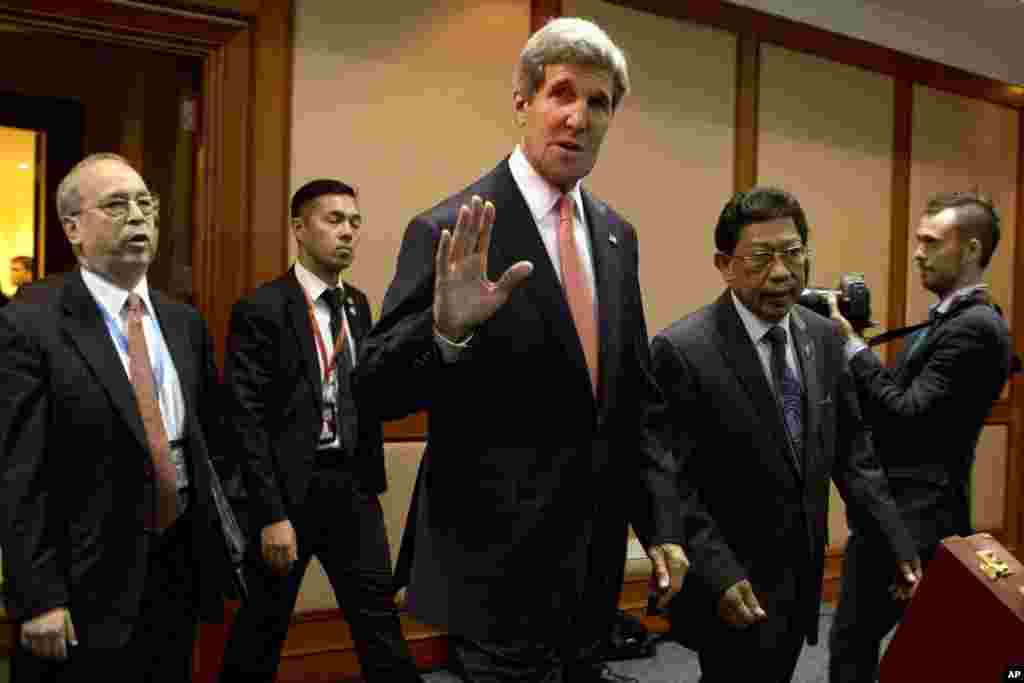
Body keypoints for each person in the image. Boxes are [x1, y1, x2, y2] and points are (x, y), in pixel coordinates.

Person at [355, 17, 688, 683]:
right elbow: (376, 388)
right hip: (493, 567)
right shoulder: (452, 227)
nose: (579, 117)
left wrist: (662, 522)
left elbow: (634, 398)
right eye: (561, 93)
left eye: (599, 103)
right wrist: (446, 332)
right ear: (522, 102)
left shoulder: (617, 236)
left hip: (592, 567)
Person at [650, 187, 920, 683]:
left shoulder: (823, 336)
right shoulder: (683, 349)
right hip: (734, 583)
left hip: (802, 579)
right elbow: (674, 481)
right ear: (725, 264)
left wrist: (895, 541)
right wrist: (718, 573)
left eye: (793, 254)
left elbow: (854, 454)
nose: (780, 273)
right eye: (760, 257)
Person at [0, 153, 226, 682]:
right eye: (117, 205)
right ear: (73, 229)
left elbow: (211, 440)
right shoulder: (29, 324)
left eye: (146, 203)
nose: (139, 216)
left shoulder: (183, 322)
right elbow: (17, 473)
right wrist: (38, 597)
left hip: (176, 569)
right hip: (83, 582)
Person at [218, 179, 422, 682]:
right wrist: (270, 515)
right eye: (334, 220)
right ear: (299, 229)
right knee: (262, 625)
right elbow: (246, 420)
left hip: (351, 487)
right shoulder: (262, 309)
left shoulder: (358, 305)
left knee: (378, 617)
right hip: (287, 494)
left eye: (354, 222)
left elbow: (368, 391)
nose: (348, 232)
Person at [826, 191, 1012, 683]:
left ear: (971, 250)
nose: (917, 252)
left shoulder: (974, 328)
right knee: (868, 646)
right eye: (916, 241)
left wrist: (849, 345)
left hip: (915, 518)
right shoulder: (948, 319)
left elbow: (906, 417)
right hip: (903, 512)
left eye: (931, 242)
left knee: (857, 646)